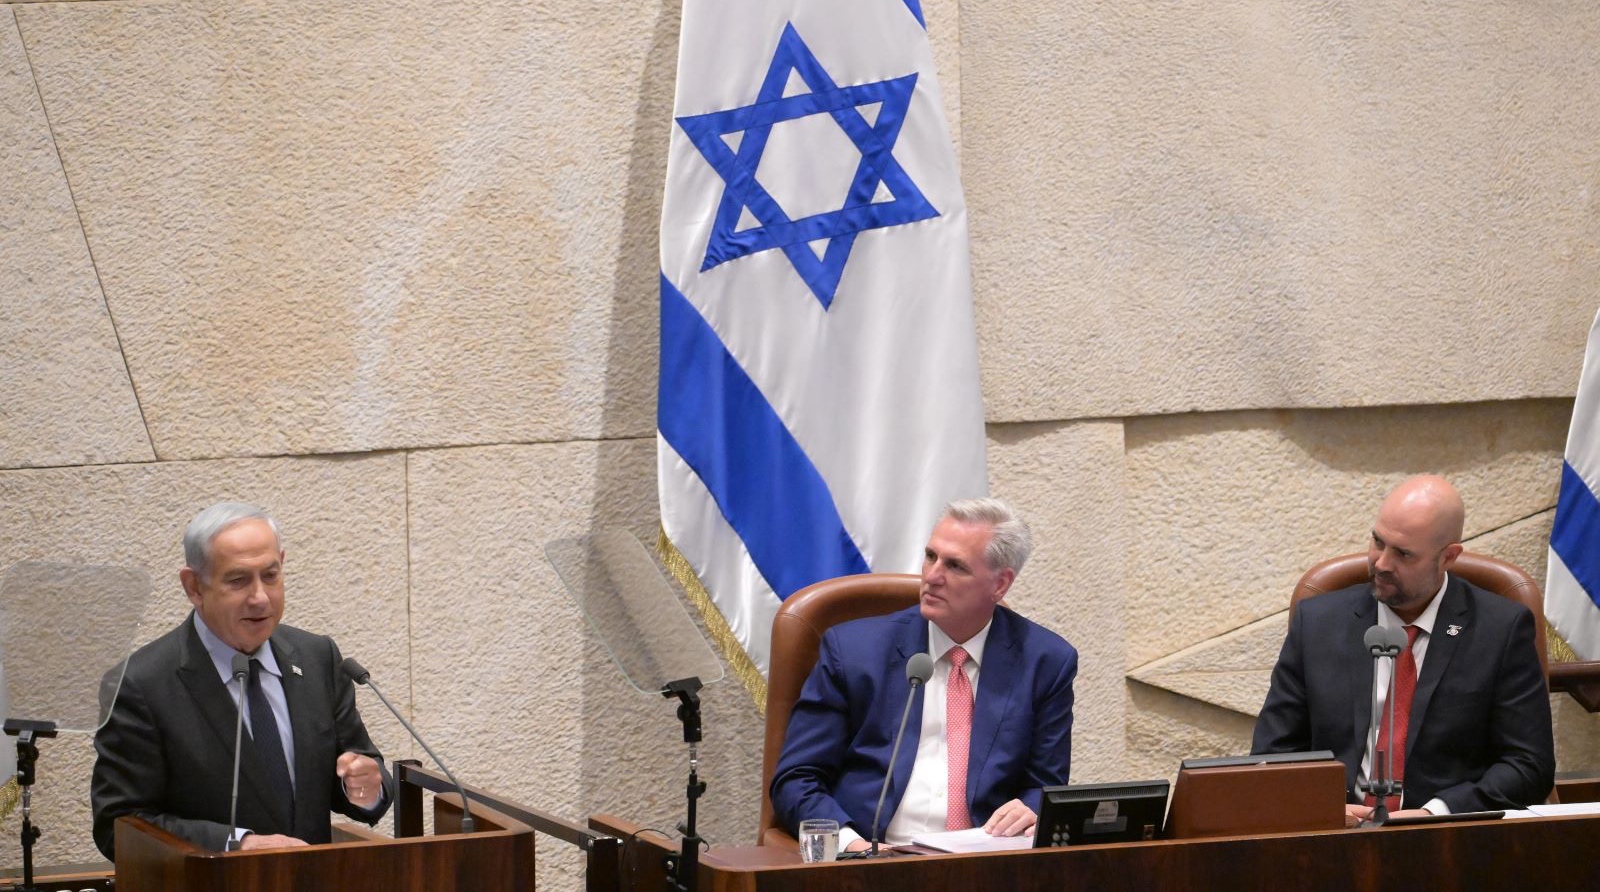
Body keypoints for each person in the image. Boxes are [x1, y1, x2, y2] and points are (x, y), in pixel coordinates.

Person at [770, 497, 1078, 850]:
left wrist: (1030, 808)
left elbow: (1046, 787)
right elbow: (797, 780)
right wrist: (850, 844)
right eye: (931, 556)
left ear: (1000, 584)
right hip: (874, 858)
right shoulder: (854, 651)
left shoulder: (1045, 662)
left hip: (984, 863)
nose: (931, 576)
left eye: (955, 566)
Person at [91, 502, 391, 857]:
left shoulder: (317, 657)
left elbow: (359, 769)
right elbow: (119, 824)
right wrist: (238, 843)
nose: (260, 598)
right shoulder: (140, 685)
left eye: (270, 575)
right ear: (194, 586)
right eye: (238, 580)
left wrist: (367, 788)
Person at [1252, 475, 1554, 823]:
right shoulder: (1318, 623)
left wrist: (1435, 812)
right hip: (1334, 836)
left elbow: (1529, 764)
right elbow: (1270, 755)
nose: (1381, 562)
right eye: (1378, 542)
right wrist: (1321, 809)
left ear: (1448, 557)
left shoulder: (1500, 629)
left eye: (1403, 554)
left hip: (1447, 838)